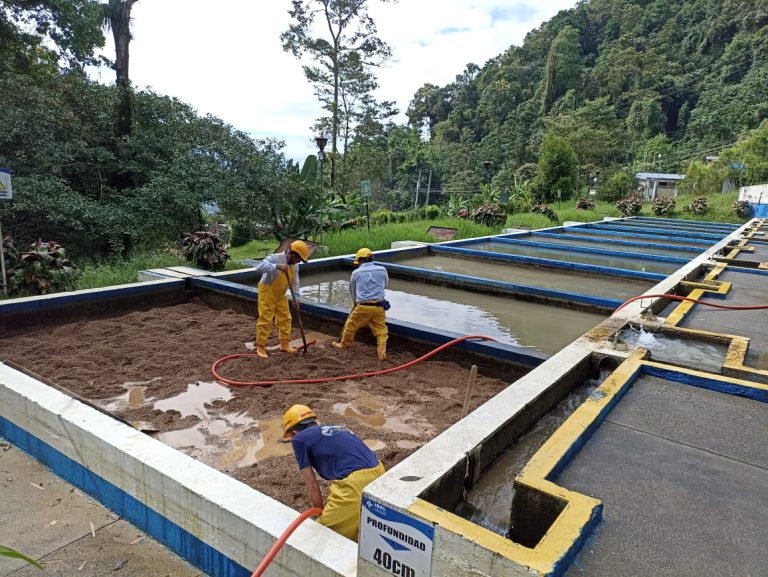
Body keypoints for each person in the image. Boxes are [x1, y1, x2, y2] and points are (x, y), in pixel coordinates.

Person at [283, 404, 385, 541]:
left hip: (354, 483)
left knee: (323, 535)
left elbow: (312, 484)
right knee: (357, 530)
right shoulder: (336, 427)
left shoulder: (299, 440)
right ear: (314, 422)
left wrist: (320, 512)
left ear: (293, 431)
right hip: (379, 472)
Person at [251, 240, 310, 358]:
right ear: (293, 254)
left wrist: (296, 297)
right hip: (267, 292)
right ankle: (261, 347)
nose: (299, 262)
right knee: (266, 319)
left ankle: (284, 344)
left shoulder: (295, 265)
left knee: (285, 318)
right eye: (298, 259)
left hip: (280, 294)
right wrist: (276, 266)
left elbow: (295, 281)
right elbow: (259, 267)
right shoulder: (275, 258)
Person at [332, 247, 390, 360]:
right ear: (371, 258)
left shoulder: (356, 273)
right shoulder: (382, 270)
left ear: (360, 260)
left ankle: (344, 344)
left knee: (350, 325)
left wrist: (354, 301)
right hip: (379, 306)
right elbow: (385, 284)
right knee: (381, 330)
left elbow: (352, 290)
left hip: (363, 306)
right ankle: (381, 353)